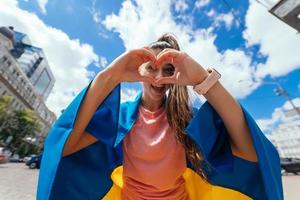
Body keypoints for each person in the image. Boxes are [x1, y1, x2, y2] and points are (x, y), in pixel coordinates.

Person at [37, 34, 283, 200]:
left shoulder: (187, 120)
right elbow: (63, 147)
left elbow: (252, 152)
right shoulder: (120, 118)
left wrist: (201, 81)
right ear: (139, 71)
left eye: (168, 70)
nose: (158, 77)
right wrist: (111, 75)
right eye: (151, 68)